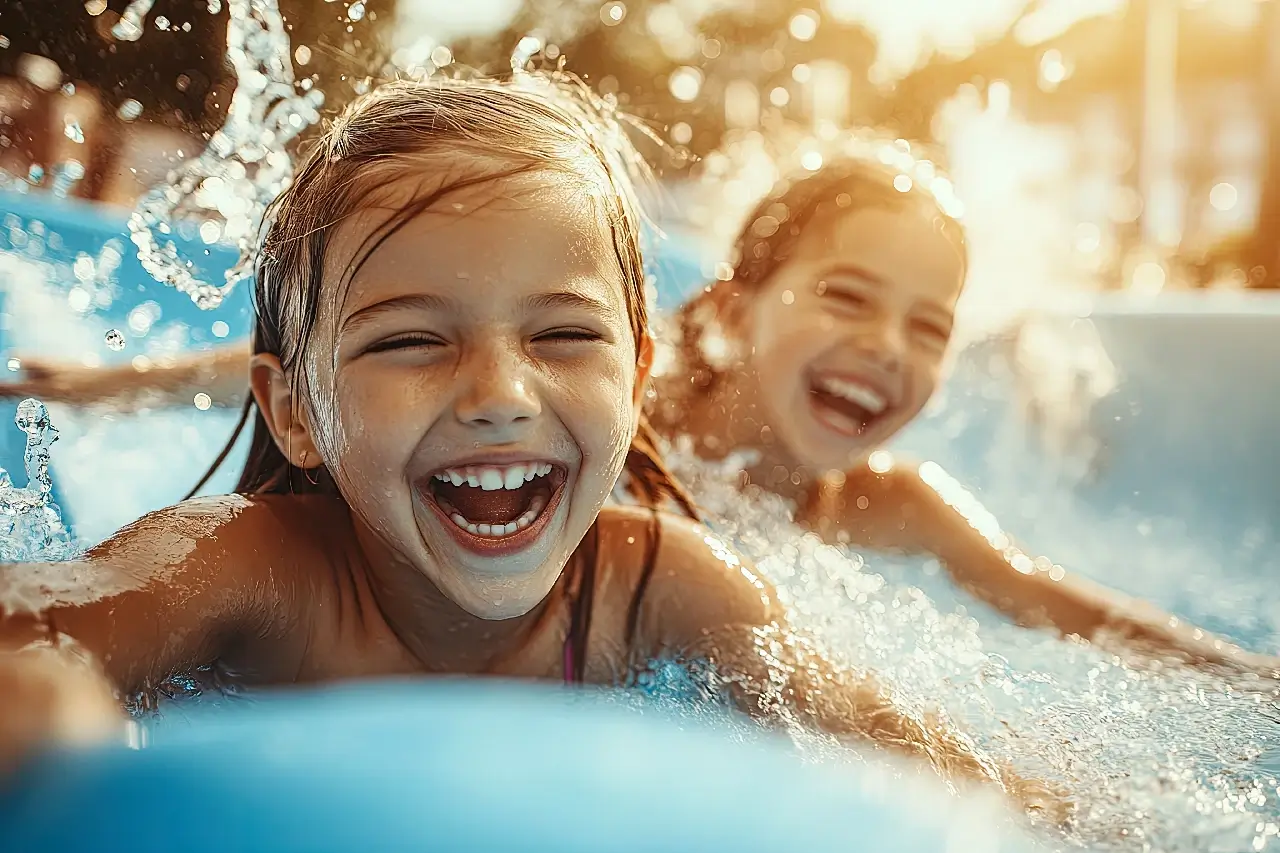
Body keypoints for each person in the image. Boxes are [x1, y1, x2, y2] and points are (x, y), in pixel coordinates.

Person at [0, 76, 1064, 818]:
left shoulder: (655, 583)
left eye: (563, 336)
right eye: (413, 340)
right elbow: (43, 622)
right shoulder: (252, 568)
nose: (501, 395)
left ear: (637, 374)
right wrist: (50, 700)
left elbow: (906, 749)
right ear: (293, 415)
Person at [644, 152, 1280, 676]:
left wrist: (1257, 678)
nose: (889, 347)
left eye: (928, 327)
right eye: (848, 297)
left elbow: (1068, 608)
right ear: (733, 312)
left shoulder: (893, 504)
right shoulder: (631, 449)